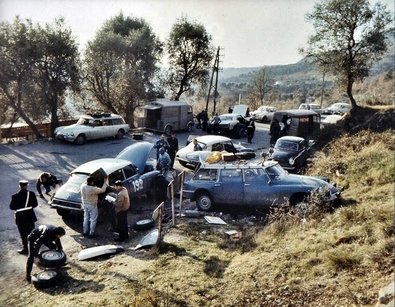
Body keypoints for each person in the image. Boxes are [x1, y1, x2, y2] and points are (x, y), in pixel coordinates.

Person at [9, 180, 38, 255]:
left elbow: (11, 207)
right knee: (31, 233)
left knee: (23, 234)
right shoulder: (31, 194)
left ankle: (25, 249)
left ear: (19, 186)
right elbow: (35, 204)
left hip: (20, 218)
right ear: (27, 185)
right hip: (30, 216)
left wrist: (19, 207)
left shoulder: (14, 196)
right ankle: (33, 248)